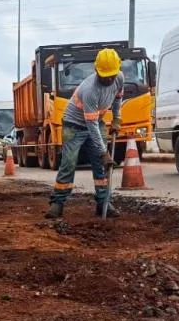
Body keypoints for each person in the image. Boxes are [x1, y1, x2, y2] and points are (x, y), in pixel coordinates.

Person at [45, 48, 124, 220]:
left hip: (96, 121)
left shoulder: (119, 78)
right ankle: (57, 203)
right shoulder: (90, 90)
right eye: (106, 76)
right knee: (69, 163)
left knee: (100, 165)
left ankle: (103, 203)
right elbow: (92, 125)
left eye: (112, 75)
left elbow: (118, 99)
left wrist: (117, 118)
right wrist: (103, 152)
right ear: (97, 71)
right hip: (74, 125)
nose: (110, 79)